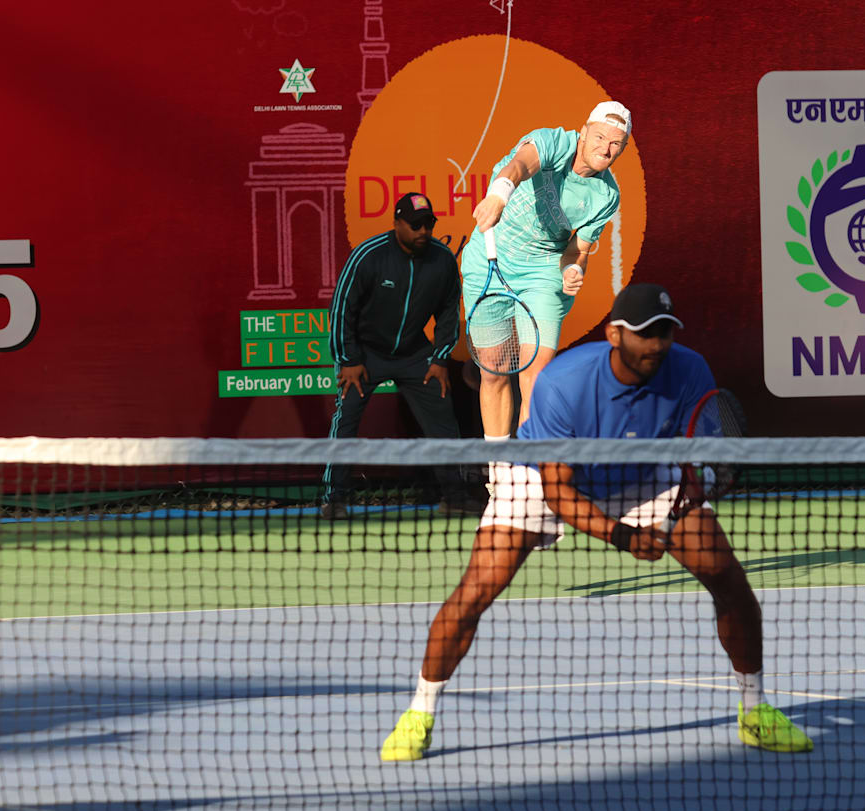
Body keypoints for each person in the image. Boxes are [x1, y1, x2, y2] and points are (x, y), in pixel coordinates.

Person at [378, 283, 814, 761]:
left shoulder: (689, 370)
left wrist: (690, 493)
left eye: (664, 332)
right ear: (613, 334)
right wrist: (623, 536)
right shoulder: (565, 383)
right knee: (475, 591)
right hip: (543, 476)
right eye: (645, 333)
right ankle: (419, 712)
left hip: (644, 473)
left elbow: (700, 457)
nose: (656, 344)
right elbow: (559, 493)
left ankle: (755, 710)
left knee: (729, 579)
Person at [464, 101, 630, 441]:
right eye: (600, 137)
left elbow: (577, 251)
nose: (606, 149)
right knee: (493, 371)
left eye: (616, 143)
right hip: (489, 257)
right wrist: (498, 197)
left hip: (542, 271)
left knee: (536, 378)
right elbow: (519, 166)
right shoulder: (552, 141)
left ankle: (528, 466)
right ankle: (498, 467)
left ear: (623, 148)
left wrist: (572, 269)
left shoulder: (606, 196)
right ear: (583, 133)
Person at [320, 193, 482, 519]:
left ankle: (454, 497)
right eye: (415, 225)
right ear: (397, 223)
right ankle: (333, 499)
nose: (423, 231)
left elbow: (449, 312)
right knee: (346, 420)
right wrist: (349, 360)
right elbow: (342, 310)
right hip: (364, 353)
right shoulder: (368, 255)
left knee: (443, 420)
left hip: (414, 353)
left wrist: (440, 358)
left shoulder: (442, 261)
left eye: (429, 225)